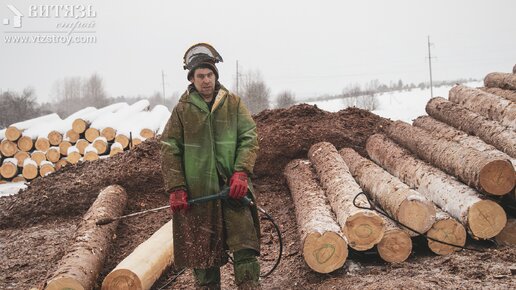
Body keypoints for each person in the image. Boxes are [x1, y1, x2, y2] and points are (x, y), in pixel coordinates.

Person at [160, 43, 261, 289]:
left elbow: (249, 137)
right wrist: (176, 188)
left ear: (216, 75)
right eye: (200, 76)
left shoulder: (233, 104)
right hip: (199, 194)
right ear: (192, 79)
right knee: (203, 258)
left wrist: (241, 172)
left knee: (245, 247)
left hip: (232, 190)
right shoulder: (182, 110)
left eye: (210, 75)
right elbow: (169, 148)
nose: (206, 80)